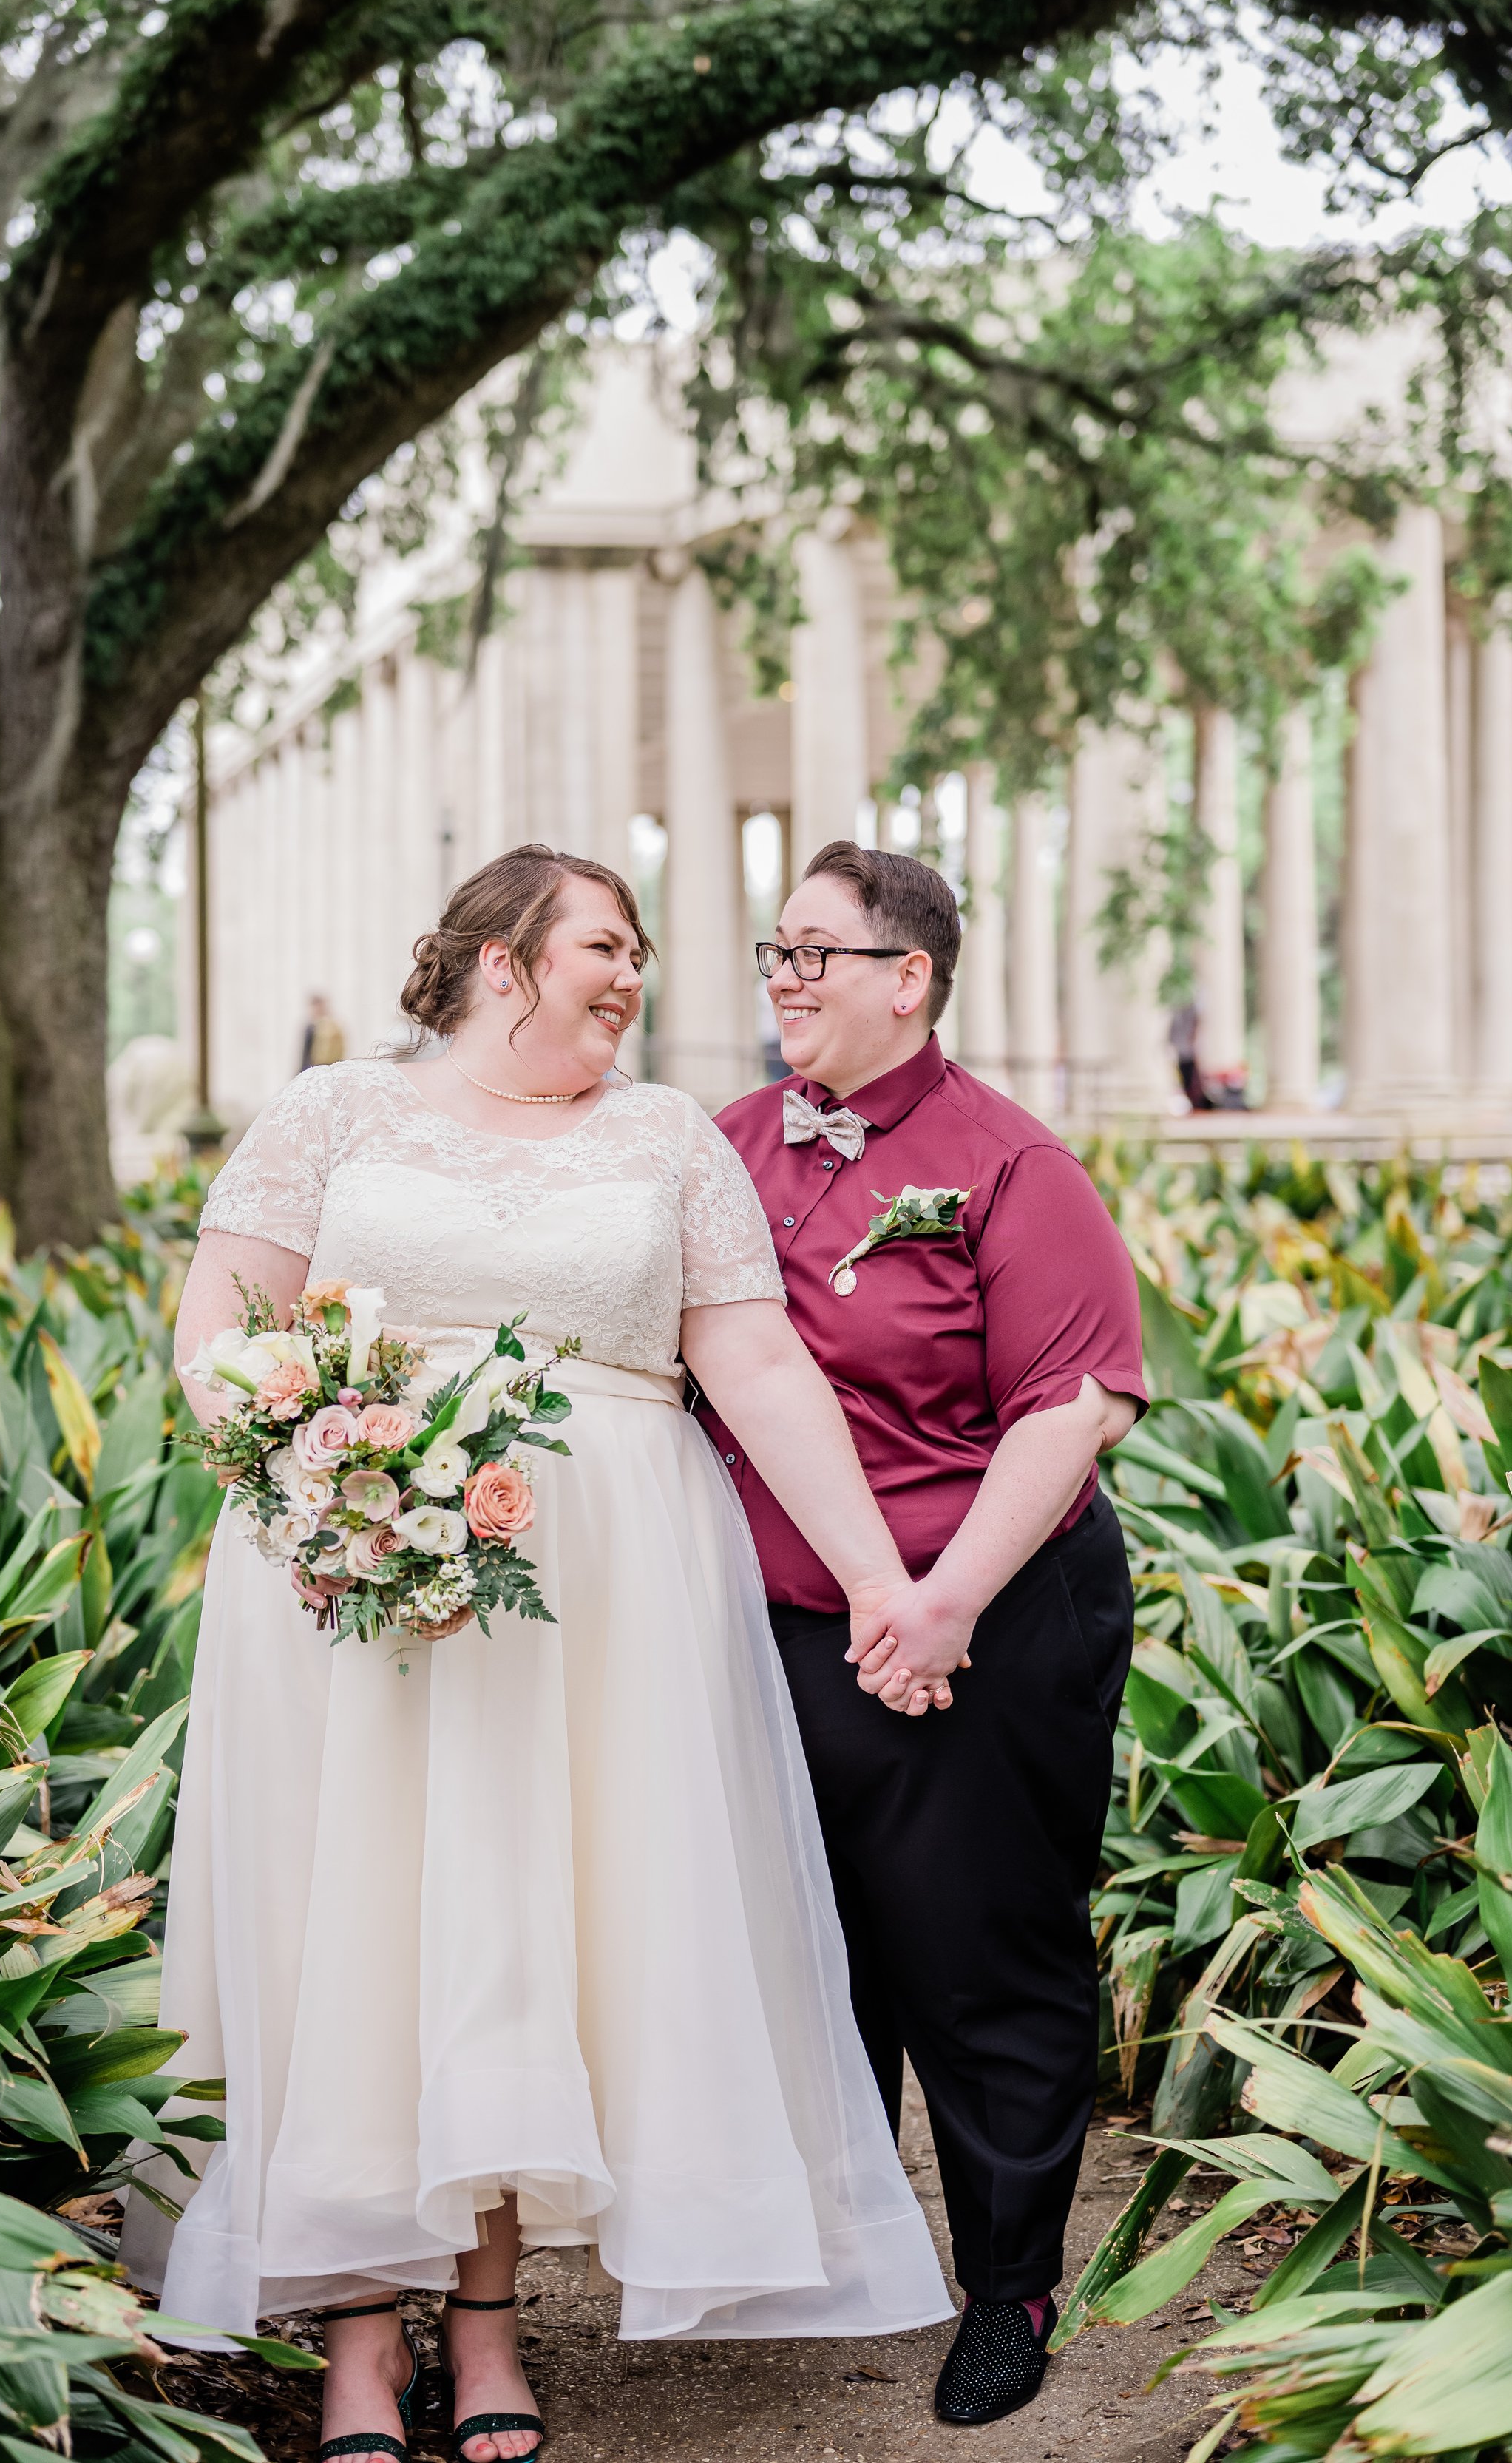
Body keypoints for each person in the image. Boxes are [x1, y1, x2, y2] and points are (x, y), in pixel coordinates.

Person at [126, 844, 953, 2463]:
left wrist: (879, 1578)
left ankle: (488, 2325)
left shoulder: (662, 1139)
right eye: (602, 944)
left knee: (523, 1941)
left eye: (637, 949)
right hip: (349, 1584)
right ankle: (360, 2341)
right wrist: (322, 1483)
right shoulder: (329, 1114)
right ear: (499, 959)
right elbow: (215, 1333)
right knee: (350, 1935)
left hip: (598, 1605)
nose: (631, 973)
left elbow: (758, 1364)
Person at [700, 841, 1146, 2430]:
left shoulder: (1008, 1165)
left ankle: (1008, 2286)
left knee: (978, 1954)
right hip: (773, 1628)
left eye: (820, 951)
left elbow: (1067, 1406)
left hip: (987, 1617)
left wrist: (939, 1602)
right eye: (775, 949)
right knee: (818, 1956)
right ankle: (843, 2243)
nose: (784, 975)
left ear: (913, 979)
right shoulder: (715, 1149)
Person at [300, 990, 347, 1071]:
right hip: (313, 1066)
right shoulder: (311, 1026)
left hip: (329, 1065)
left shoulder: (332, 1026)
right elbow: (306, 1052)